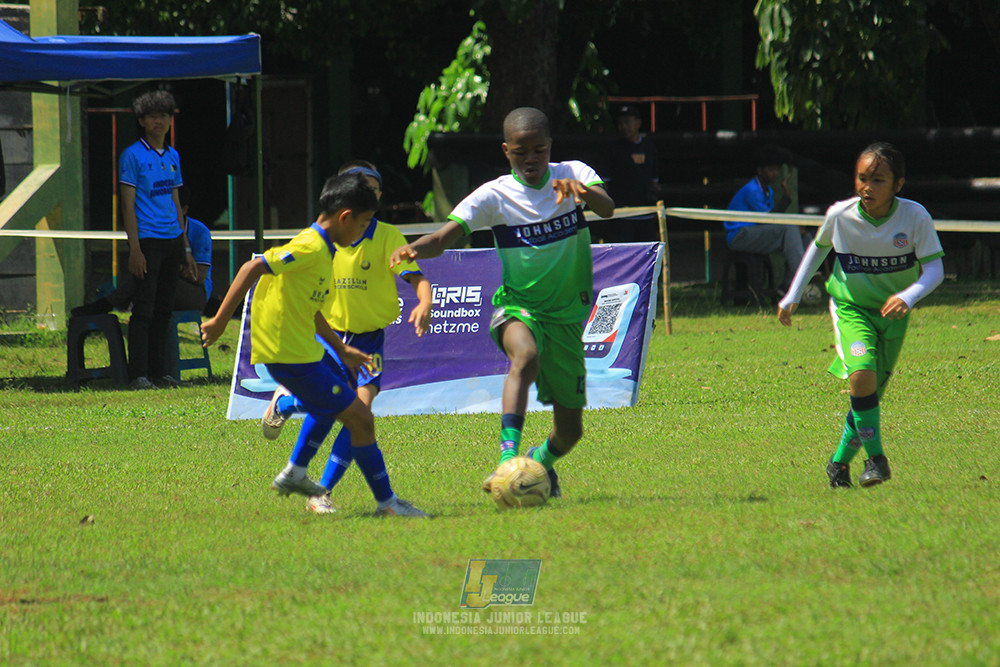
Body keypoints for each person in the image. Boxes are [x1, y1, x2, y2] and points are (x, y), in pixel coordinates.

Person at [390, 107, 615, 499]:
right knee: (524, 356)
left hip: (565, 317)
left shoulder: (573, 173)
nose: (531, 159)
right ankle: (507, 458)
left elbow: (607, 207)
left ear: (550, 148)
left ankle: (538, 462)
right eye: (520, 152)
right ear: (506, 150)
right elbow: (445, 238)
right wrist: (413, 249)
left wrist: (583, 192)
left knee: (570, 432)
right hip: (517, 308)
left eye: (539, 151)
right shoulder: (494, 195)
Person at [200, 172, 428, 517]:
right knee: (360, 418)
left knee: (342, 411)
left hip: (330, 347)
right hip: (295, 353)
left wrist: (342, 349)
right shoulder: (311, 247)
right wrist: (218, 320)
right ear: (345, 217)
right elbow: (253, 267)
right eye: (363, 221)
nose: (365, 230)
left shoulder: (329, 248)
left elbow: (311, 306)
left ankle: (297, 464)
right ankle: (382, 503)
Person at [260, 160, 433, 515]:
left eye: (373, 189)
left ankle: (318, 488)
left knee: (359, 411)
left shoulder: (386, 236)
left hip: (368, 341)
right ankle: (293, 419)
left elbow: (417, 278)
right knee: (340, 409)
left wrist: (425, 303)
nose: (369, 194)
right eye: (361, 188)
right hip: (330, 335)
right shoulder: (325, 238)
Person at [777, 142, 945, 489]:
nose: (867, 187)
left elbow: (935, 270)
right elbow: (817, 249)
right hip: (851, 309)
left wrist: (908, 296)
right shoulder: (841, 215)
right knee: (861, 376)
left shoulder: (915, 217)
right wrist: (793, 294)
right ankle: (876, 460)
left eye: (878, 180)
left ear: (898, 184)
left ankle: (838, 464)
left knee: (869, 396)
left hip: (893, 316)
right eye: (862, 178)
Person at [119, 89, 197, 390]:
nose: (159, 121)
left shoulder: (173, 156)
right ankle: (138, 374)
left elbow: (176, 202)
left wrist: (186, 247)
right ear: (142, 121)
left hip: (173, 240)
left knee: (165, 308)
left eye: (164, 115)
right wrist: (135, 249)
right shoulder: (132, 155)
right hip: (148, 241)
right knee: (144, 309)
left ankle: (160, 372)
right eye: (153, 116)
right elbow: (127, 205)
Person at [72, 186, 214, 317]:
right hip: (164, 282)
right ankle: (116, 307)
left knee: (152, 277)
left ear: (184, 210)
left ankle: (107, 304)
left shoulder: (200, 233)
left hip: (196, 293)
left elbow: (200, 277)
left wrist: (169, 265)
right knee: (148, 276)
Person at [724, 144, 805, 289]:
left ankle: (787, 285)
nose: (774, 173)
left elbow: (770, 219)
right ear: (760, 171)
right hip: (740, 236)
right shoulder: (752, 190)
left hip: (756, 233)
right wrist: (786, 199)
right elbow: (767, 221)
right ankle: (803, 274)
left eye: (776, 170)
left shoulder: (768, 191)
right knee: (790, 229)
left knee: (804, 237)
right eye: (771, 170)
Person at [596, 105, 660, 243]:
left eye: (627, 122)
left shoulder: (649, 148)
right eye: (620, 123)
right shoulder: (613, 150)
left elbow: (655, 181)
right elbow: (604, 183)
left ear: (638, 123)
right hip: (621, 216)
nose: (624, 127)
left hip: (646, 214)